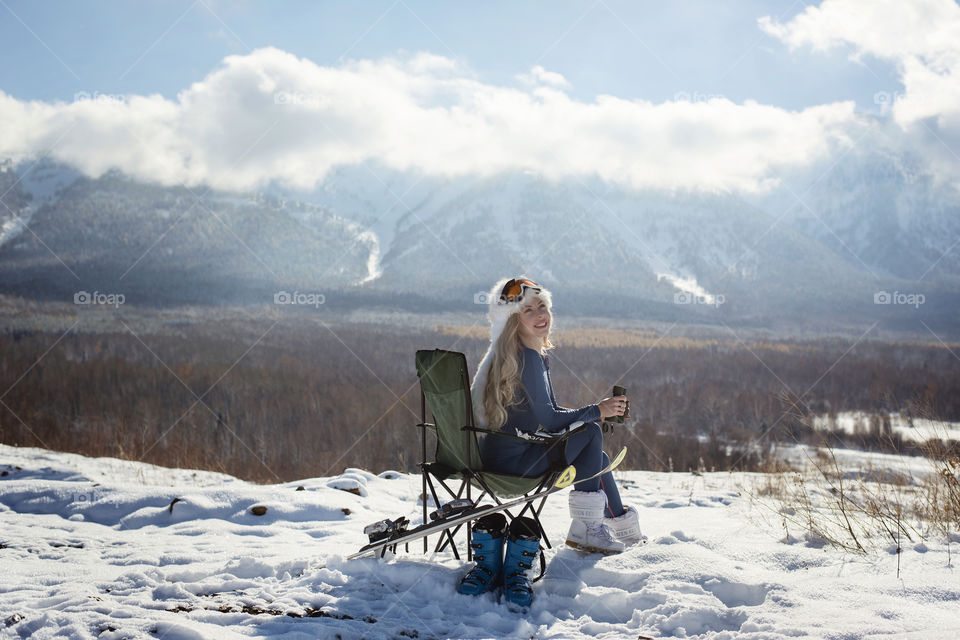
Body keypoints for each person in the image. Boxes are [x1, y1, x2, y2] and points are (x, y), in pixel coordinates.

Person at [470, 276, 644, 555]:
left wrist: (597, 410)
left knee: (597, 458)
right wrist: (597, 413)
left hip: (509, 457)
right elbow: (550, 420)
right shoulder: (527, 359)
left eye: (542, 306)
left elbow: (547, 414)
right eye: (528, 310)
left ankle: (622, 529)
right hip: (515, 465)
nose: (540, 315)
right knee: (590, 433)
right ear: (514, 321)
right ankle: (587, 529)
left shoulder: (523, 355)